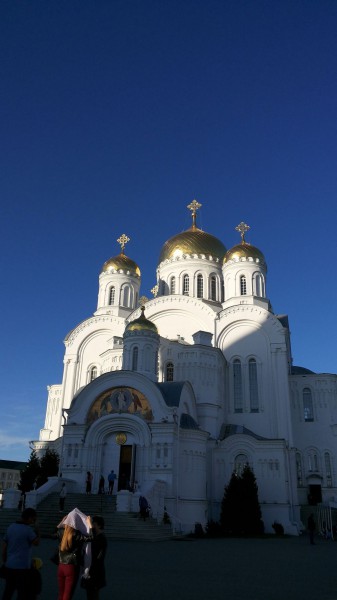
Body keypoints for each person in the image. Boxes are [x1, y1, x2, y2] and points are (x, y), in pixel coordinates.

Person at [2, 507, 40, 600]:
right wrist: (38, 529)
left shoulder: (11, 527)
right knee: (22, 592)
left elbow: (4, 546)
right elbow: (36, 543)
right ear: (30, 518)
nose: (33, 521)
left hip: (10, 565)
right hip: (22, 567)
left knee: (8, 591)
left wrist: (5, 560)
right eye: (33, 519)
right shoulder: (28, 530)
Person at [57, 508, 93, 600]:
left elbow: (54, 532)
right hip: (72, 566)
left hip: (61, 565)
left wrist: (61, 522)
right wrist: (89, 525)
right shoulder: (76, 534)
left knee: (61, 593)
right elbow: (91, 538)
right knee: (68, 594)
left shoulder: (61, 532)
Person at [81, 516, 107, 600]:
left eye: (93, 524)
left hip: (96, 572)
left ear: (99, 526)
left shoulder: (102, 538)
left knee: (93, 596)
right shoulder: (96, 538)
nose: (91, 526)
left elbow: (96, 555)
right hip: (90, 570)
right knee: (90, 595)